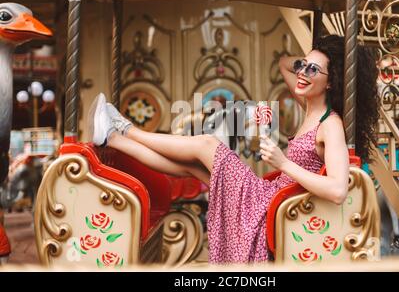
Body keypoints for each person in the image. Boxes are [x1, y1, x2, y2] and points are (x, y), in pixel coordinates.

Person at [87, 35, 380, 264]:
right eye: (302, 65)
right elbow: (283, 63)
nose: (302, 72)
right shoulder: (309, 104)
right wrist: (320, 55)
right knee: (193, 165)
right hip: (271, 198)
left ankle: (124, 127)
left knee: (206, 144)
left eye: (313, 69)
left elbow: (338, 190)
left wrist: (284, 163)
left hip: (269, 207)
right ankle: (113, 138)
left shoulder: (331, 125)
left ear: (332, 83)